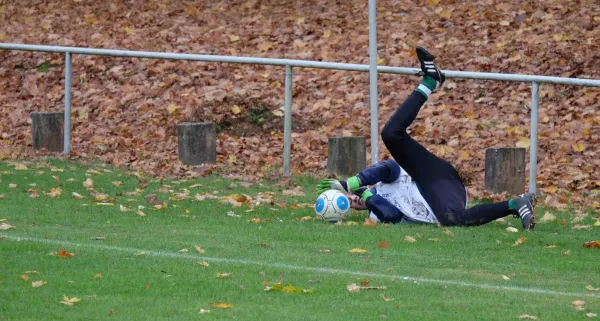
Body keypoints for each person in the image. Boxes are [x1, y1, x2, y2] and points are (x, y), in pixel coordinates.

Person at [317, 46, 536, 230]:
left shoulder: (382, 181)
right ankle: (515, 204)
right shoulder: (376, 213)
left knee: (391, 134)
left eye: (349, 196)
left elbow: (388, 167)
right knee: (452, 219)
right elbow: (391, 215)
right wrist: (365, 197)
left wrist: (351, 183)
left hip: (431, 175)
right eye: (350, 204)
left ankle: (430, 81)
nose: (353, 199)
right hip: (443, 199)